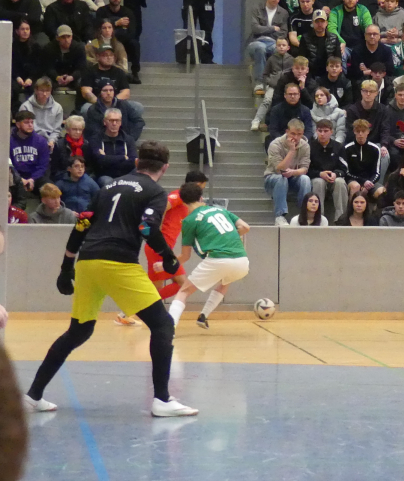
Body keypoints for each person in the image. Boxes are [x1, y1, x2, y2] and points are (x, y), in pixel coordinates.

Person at [24, 141, 198, 417]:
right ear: (164, 168)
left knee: (78, 331)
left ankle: (33, 395)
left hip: (88, 262)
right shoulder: (155, 192)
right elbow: (147, 227)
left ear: (137, 162)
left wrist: (66, 267)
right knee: (163, 325)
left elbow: (82, 223)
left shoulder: (107, 186)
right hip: (118, 262)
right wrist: (168, 256)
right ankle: (162, 400)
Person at [164, 183, 250, 330]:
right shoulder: (221, 210)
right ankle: (204, 315)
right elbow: (245, 227)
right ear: (201, 198)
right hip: (242, 261)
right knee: (225, 281)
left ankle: (168, 330)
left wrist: (165, 264)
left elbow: (185, 256)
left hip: (218, 260)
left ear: (183, 202)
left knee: (184, 292)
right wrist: (228, 237)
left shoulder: (189, 220)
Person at [264, 119, 312, 226]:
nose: (296, 137)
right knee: (281, 178)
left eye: (299, 134)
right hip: (273, 178)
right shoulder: (275, 144)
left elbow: (304, 169)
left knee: (305, 179)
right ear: (287, 132)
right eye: (293, 133)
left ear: (302, 134)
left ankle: (304, 214)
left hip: (292, 177)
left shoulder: (305, 146)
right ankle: (280, 216)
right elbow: (280, 169)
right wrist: (291, 151)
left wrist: (293, 172)